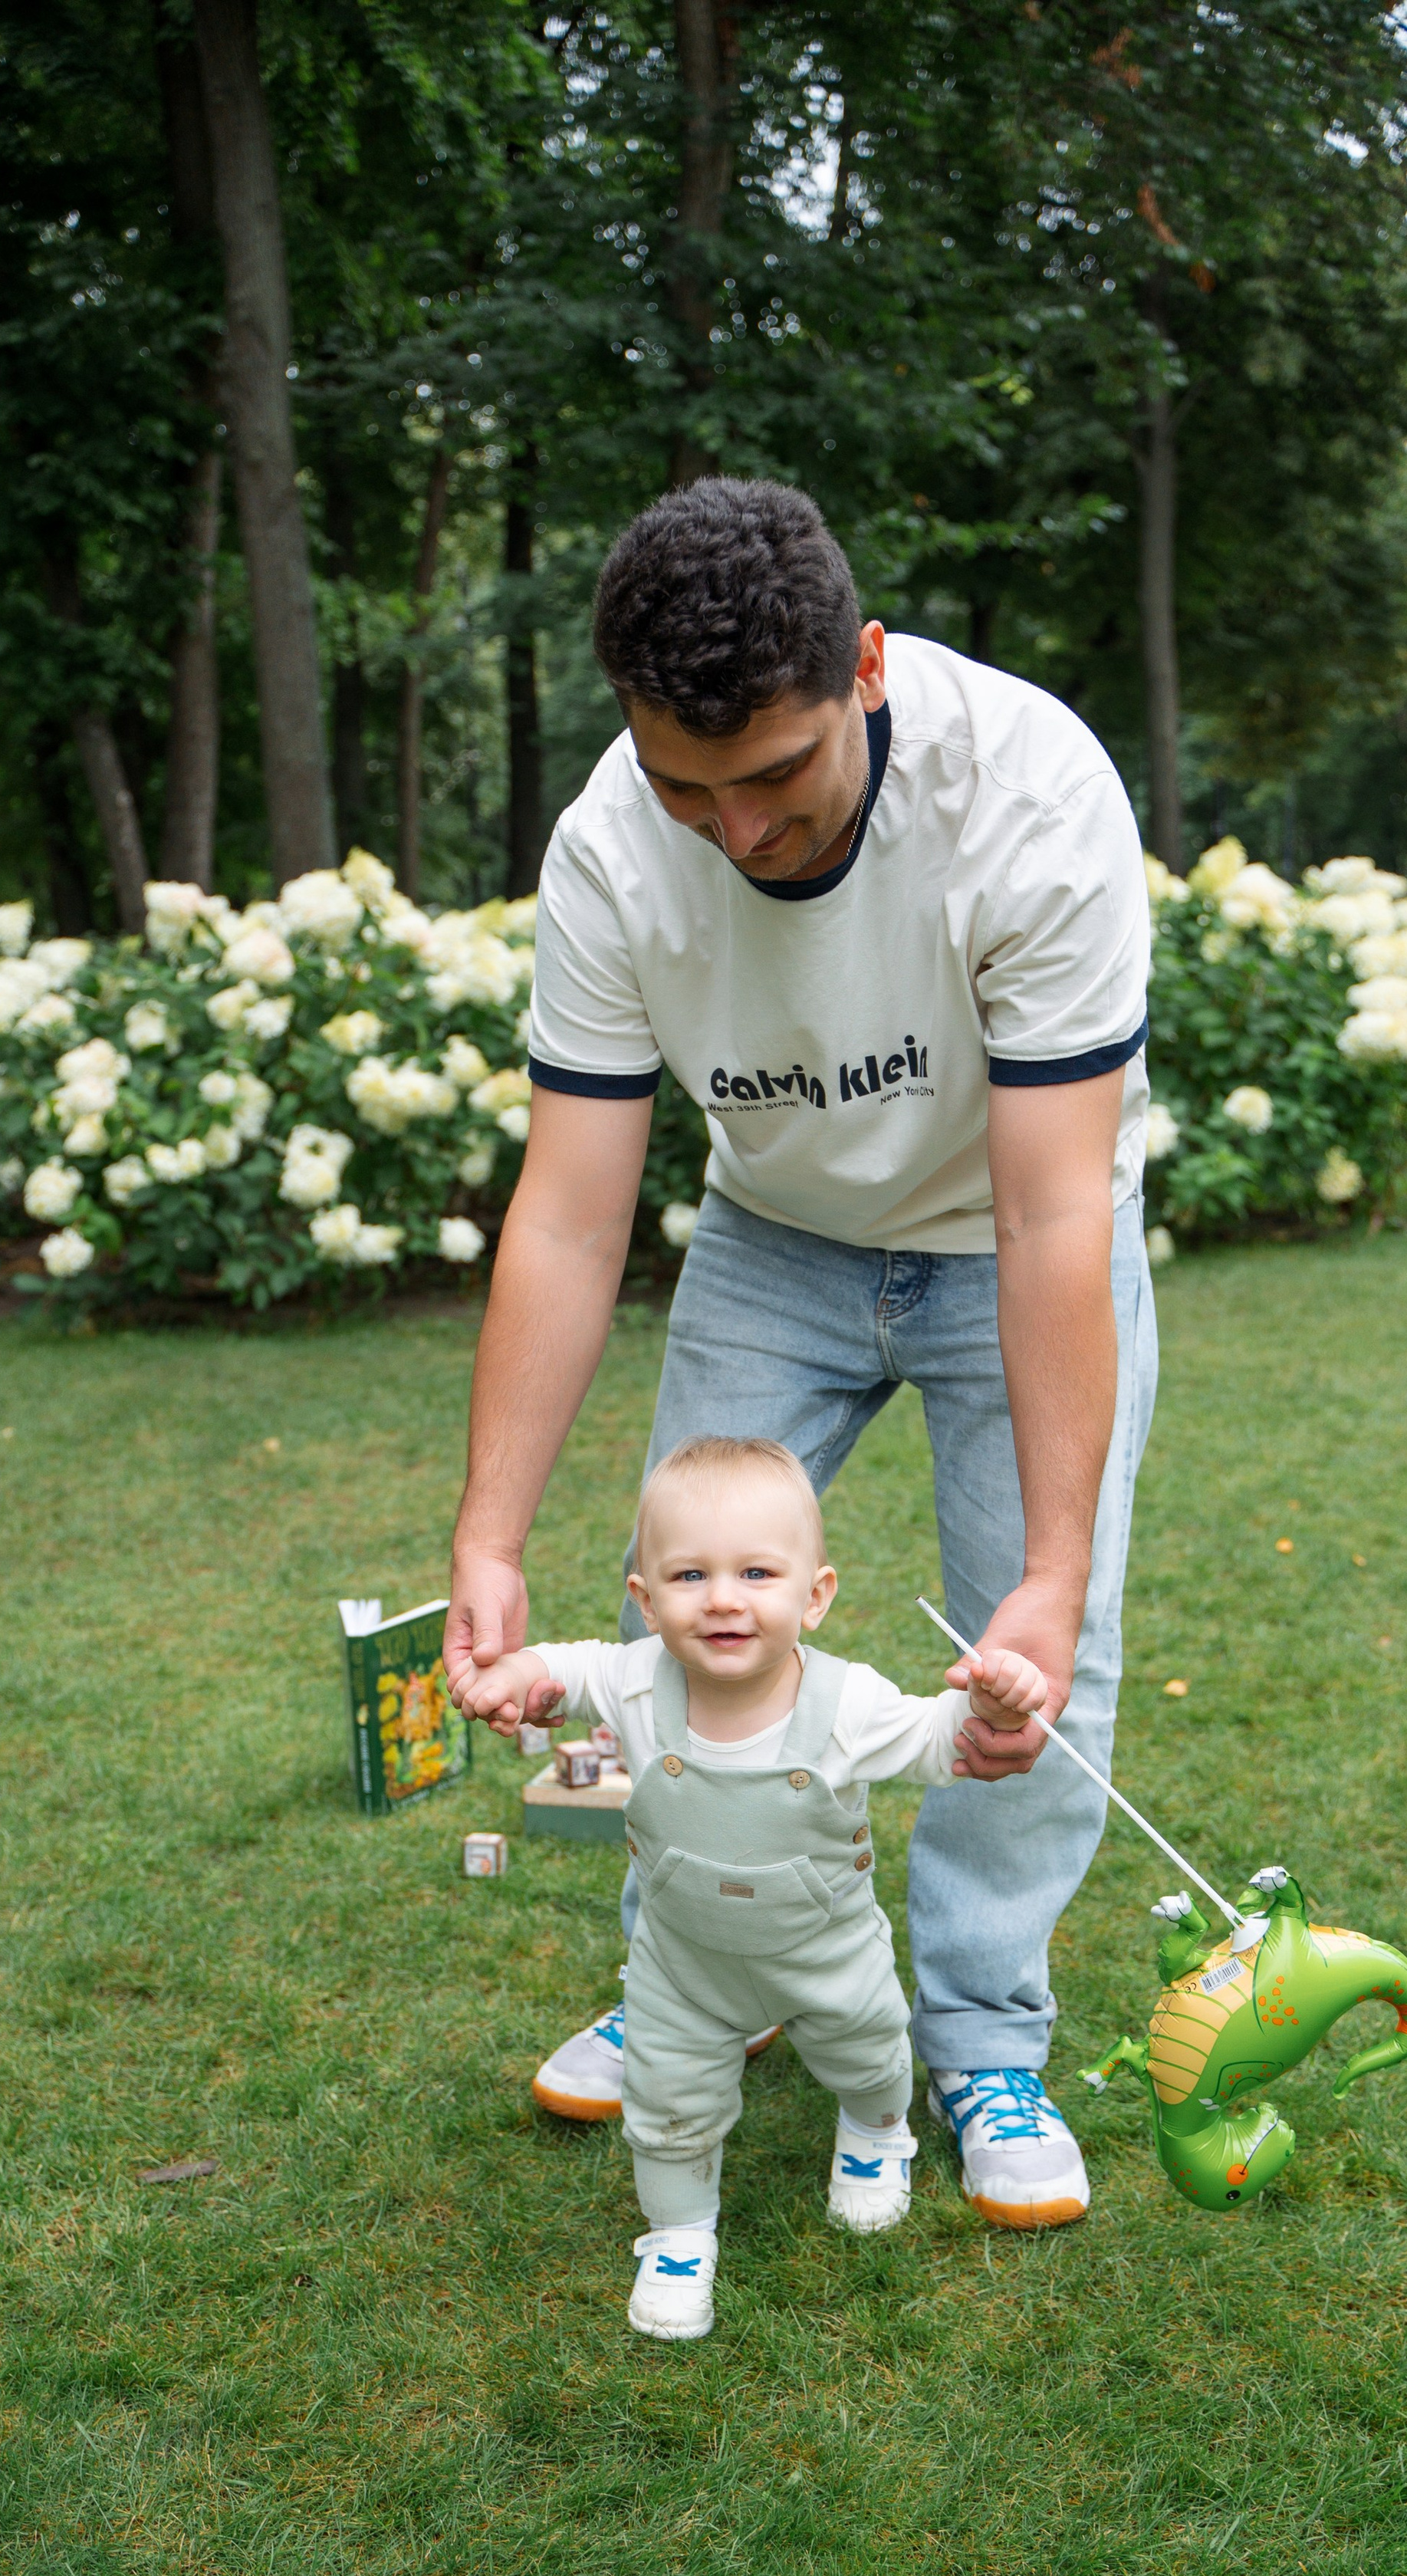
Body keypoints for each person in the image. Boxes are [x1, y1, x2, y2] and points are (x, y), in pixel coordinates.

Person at [445, 476, 1158, 2232]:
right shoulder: (616, 844)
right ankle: (708, 1977)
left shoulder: (1029, 792)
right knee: (671, 1621)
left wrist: (1055, 1569)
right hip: (771, 1240)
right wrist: (485, 1530)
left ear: (860, 666)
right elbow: (563, 1213)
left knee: (1027, 1668)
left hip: (1010, 1240)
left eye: (772, 773)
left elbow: (1053, 1214)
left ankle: (984, 2030)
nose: (734, 828)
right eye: (687, 783)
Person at [459, 1436, 1051, 2337]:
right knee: (667, 2105)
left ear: (814, 1596)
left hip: (827, 1957)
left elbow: (938, 1741)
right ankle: (679, 2233)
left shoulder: (846, 1704)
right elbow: (567, 1667)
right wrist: (516, 1673)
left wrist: (993, 1702)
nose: (724, 1599)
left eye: (758, 1574)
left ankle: (874, 2131)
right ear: (645, 1600)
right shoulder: (633, 1681)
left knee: (869, 2050)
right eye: (689, 1575)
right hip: (683, 1966)